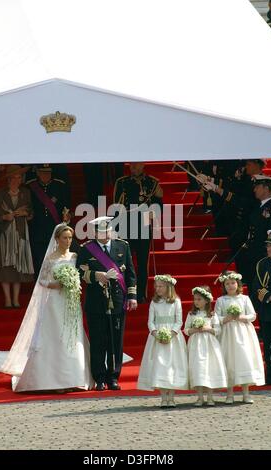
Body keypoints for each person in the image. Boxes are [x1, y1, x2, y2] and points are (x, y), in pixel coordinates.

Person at [0, 224, 93, 392]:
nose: (68, 241)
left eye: (70, 238)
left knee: (72, 337)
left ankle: (74, 378)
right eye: (65, 238)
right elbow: (41, 281)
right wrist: (54, 285)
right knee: (55, 338)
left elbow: (82, 275)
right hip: (54, 303)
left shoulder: (75, 257)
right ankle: (55, 381)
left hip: (71, 303)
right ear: (57, 239)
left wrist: (74, 283)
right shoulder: (50, 259)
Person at [77, 216, 137, 391]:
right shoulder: (87, 249)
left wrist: (132, 297)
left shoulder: (122, 246)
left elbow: (130, 274)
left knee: (115, 341)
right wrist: (96, 276)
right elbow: (79, 273)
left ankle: (114, 376)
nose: (106, 235)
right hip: (96, 301)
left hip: (117, 300)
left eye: (108, 231)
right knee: (98, 340)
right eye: (102, 232)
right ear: (95, 233)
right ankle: (100, 377)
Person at [113, 162, 163, 303]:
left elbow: (159, 205)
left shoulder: (152, 183)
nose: (133, 167)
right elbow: (116, 206)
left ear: (143, 165)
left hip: (143, 227)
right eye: (132, 165)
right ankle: (124, 293)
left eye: (136, 165)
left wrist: (155, 211)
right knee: (124, 263)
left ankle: (141, 294)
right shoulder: (122, 182)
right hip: (126, 226)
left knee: (142, 263)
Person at [137, 274, 188, 407]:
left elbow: (179, 321)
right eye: (156, 286)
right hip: (157, 338)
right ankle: (163, 397)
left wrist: (171, 334)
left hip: (173, 338)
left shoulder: (176, 301)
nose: (158, 289)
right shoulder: (154, 302)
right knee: (160, 366)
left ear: (168, 287)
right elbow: (150, 322)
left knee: (172, 366)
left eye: (161, 286)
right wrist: (156, 333)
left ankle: (171, 397)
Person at [215, 271, 265, 404]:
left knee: (244, 359)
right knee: (229, 359)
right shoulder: (221, 301)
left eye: (233, 283)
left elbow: (252, 315)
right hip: (228, 334)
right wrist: (227, 318)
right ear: (224, 286)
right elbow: (216, 318)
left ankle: (246, 393)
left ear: (238, 284)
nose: (230, 286)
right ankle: (229, 394)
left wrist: (241, 317)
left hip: (243, 333)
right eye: (227, 284)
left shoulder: (244, 299)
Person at [0, 165, 34, 308]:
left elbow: (31, 210)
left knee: (18, 266)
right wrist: (4, 216)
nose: (16, 180)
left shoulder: (25, 193)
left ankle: (16, 299)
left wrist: (26, 213)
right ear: (8, 179)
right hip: (4, 235)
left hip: (20, 234)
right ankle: (8, 299)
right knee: (4, 267)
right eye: (14, 177)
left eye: (19, 177)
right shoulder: (0, 194)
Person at [184, 286, 227, 406]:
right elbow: (186, 329)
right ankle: (199, 397)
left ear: (207, 300)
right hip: (196, 344)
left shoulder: (212, 315)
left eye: (199, 299)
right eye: (195, 299)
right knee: (198, 368)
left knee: (208, 368)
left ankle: (210, 397)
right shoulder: (191, 314)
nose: (196, 302)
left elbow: (217, 330)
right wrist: (194, 329)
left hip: (209, 345)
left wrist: (208, 328)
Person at [26, 164, 71, 278]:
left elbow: (67, 206)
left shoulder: (59, 185)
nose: (46, 175)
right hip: (37, 229)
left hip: (54, 228)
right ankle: (39, 283)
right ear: (38, 173)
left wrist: (67, 216)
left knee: (56, 257)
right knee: (39, 258)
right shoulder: (30, 187)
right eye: (43, 172)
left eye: (48, 172)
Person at [252, 230, 271, 384]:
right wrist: (270, 297)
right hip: (268, 312)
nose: (268, 249)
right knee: (270, 345)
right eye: (268, 246)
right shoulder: (262, 264)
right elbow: (257, 286)